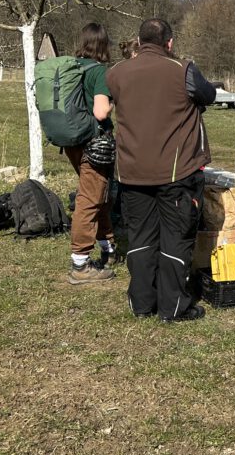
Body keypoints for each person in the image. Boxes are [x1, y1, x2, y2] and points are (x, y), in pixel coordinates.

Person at [107, 18, 215, 322]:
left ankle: (141, 302)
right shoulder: (182, 69)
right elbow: (208, 95)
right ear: (169, 42)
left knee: (140, 237)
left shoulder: (116, 73)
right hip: (175, 171)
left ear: (140, 42)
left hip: (131, 172)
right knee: (175, 237)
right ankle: (174, 305)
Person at [65, 23, 117, 285]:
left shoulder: (72, 67)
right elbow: (100, 112)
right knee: (89, 199)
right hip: (94, 144)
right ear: (103, 44)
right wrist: (111, 100)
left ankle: (108, 248)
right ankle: (80, 263)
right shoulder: (98, 72)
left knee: (100, 195)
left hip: (72, 142)